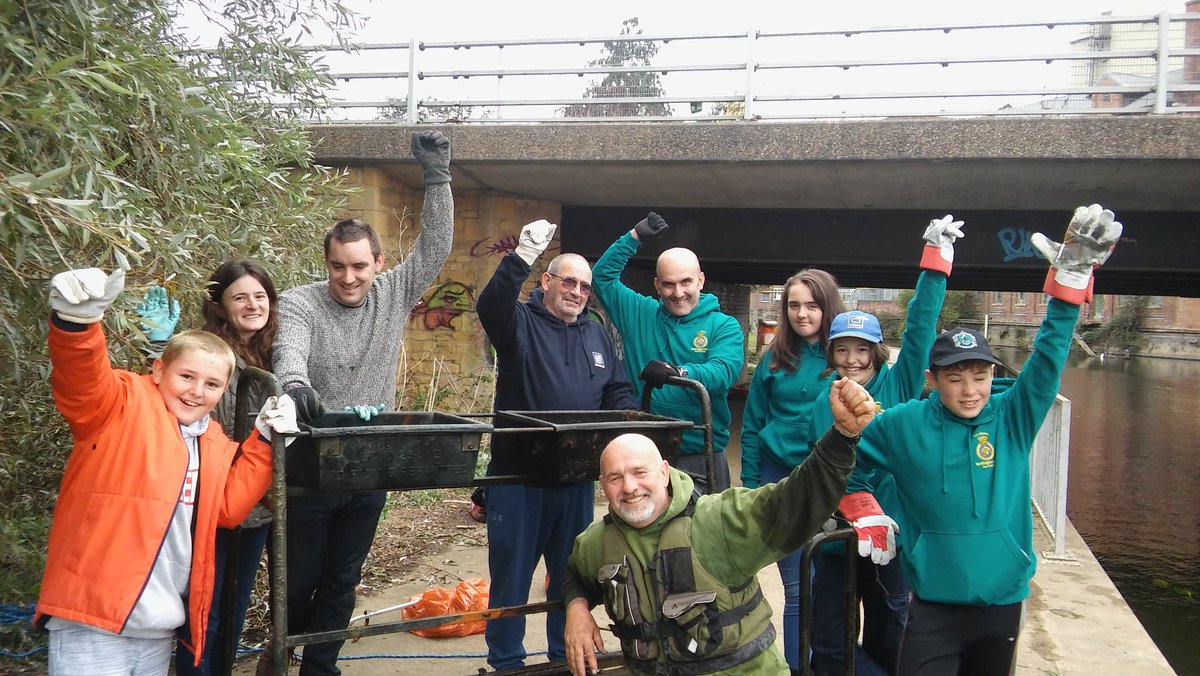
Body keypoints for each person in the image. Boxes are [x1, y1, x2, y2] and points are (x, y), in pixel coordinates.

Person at [855, 205, 1122, 675]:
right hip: (933, 603)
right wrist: (864, 507)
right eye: (955, 378)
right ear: (933, 380)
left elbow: (1047, 357)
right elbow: (844, 460)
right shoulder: (901, 424)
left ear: (993, 375)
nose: (971, 390)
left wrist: (1070, 283)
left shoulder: (1012, 417)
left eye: (981, 376)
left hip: (1002, 603)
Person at [35, 265, 297, 676]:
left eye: (212, 384)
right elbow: (81, 381)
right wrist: (77, 323)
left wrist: (264, 440)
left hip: (159, 626)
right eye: (187, 376)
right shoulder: (122, 405)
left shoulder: (211, 440)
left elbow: (228, 508)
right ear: (159, 371)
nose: (197, 391)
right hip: (94, 620)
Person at [270, 130, 454, 675]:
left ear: (378, 262)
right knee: (298, 578)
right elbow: (289, 353)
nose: (348, 278)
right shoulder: (299, 302)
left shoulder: (394, 292)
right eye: (337, 266)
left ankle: (318, 666)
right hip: (311, 461)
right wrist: (297, 389)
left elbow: (436, 247)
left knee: (344, 576)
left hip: (371, 464)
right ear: (326, 263)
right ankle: (281, 654)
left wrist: (438, 176)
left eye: (359, 266)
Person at [562, 378, 878, 676]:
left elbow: (796, 500)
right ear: (602, 484)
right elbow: (574, 574)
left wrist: (842, 436)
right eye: (615, 478)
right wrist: (576, 609)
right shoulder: (596, 543)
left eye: (639, 472)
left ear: (663, 472)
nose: (629, 487)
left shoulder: (721, 520)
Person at [476, 219, 639, 670]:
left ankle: (563, 657)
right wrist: (521, 256)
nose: (578, 292)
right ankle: (506, 662)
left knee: (570, 579)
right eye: (570, 281)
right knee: (510, 579)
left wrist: (630, 420)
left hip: (573, 482)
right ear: (546, 281)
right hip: (516, 481)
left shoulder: (596, 333)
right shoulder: (518, 323)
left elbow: (616, 390)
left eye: (586, 287)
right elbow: (490, 306)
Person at [807, 216, 965, 675]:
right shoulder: (825, 401)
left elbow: (920, 328)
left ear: (876, 352)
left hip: (892, 538)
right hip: (837, 538)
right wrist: (853, 503)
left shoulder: (898, 386)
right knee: (831, 640)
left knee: (892, 629)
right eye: (842, 350)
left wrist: (934, 265)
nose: (852, 360)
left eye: (862, 350)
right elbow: (823, 463)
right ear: (832, 354)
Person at [170, 260, 281, 676]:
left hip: (258, 507)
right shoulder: (210, 354)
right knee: (203, 612)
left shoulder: (280, 351)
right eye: (240, 297)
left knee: (233, 610)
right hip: (208, 501)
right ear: (220, 305)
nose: (253, 305)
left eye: (260, 295)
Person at [738, 266, 846, 672]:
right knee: (798, 587)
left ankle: (832, 662)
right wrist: (751, 486)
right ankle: (800, 668)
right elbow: (751, 426)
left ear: (827, 307)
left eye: (812, 305)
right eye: (795, 305)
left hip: (832, 481)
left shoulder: (844, 356)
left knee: (832, 587)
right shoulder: (774, 357)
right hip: (779, 480)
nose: (802, 314)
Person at [591, 212, 744, 493]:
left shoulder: (723, 325)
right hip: (646, 452)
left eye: (686, 282)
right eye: (669, 284)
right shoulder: (640, 312)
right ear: (657, 285)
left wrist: (679, 372)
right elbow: (602, 277)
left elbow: (724, 371)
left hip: (701, 451)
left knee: (703, 533)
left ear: (700, 280)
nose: (678, 293)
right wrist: (634, 237)